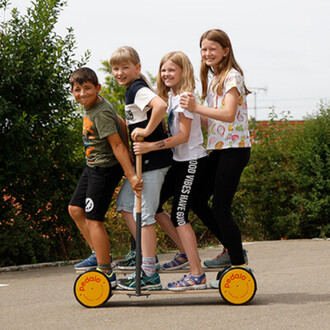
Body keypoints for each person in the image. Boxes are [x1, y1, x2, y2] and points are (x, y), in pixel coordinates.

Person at [180, 29, 251, 287]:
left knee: (221, 207)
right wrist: (183, 104)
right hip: (219, 149)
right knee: (197, 198)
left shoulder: (233, 77)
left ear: (225, 50)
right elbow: (211, 121)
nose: (207, 54)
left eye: (212, 49)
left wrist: (196, 107)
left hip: (235, 149)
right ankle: (231, 249)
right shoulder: (213, 79)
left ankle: (237, 260)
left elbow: (229, 114)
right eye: (203, 49)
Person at [133, 51, 209, 290]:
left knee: (179, 215)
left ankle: (196, 274)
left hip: (192, 162)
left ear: (183, 72)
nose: (166, 74)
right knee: (154, 206)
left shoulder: (185, 97)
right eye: (163, 70)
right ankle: (186, 254)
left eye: (171, 70)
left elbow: (183, 136)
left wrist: (149, 145)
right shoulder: (172, 97)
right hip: (177, 163)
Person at [68, 67, 143, 287]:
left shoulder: (100, 111)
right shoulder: (92, 105)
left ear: (97, 88)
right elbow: (120, 121)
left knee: (94, 219)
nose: (82, 94)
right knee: (75, 209)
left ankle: (106, 271)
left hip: (105, 169)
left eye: (87, 89)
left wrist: (131, 175)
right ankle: (98, 253)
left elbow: (117, 146)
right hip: (92, 165)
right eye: (77, 90)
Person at [110, 46, 173, 290]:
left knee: (144, 214)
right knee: (126, 204)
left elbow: (160, 106)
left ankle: (149, 273)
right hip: (145, 163)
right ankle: (146, 254)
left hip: (152, 163)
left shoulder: (138, 89)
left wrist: (146, 133)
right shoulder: (131, 91)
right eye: (116, 68)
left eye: (125, 67)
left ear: (137, 68)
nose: (120, 72)